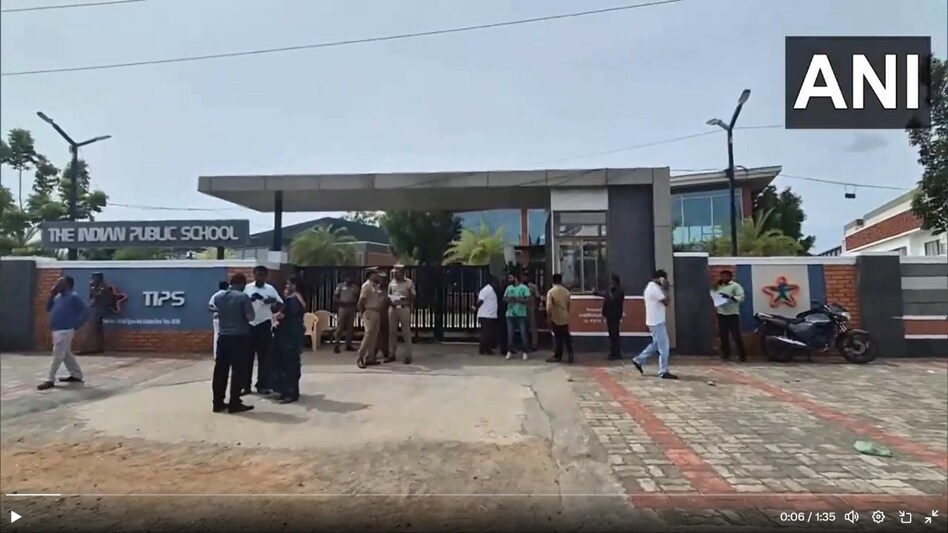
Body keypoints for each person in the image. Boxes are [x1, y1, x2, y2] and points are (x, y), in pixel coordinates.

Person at [212, 273, 256, 413]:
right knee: (238, 371)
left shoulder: (219, 297)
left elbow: (215, 311)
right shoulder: (243, 297)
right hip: (240, 338)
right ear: (242, 284)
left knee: (220, 371)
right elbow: (251, 317)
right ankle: (234, 403)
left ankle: (218, 403)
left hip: (223, 337)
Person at [38, 276, 88, 391]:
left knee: (57, 354)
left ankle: (50, 379)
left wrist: (77, 324)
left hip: (65, 330)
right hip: (57, 329)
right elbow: (48, 308)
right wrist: (52, 294)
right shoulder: (58, 297)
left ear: (68, 285)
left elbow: (85, 311)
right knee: (66, 354)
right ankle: (76, 375)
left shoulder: (73, 297)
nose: (57, 284)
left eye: (60, 282)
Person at [243, 265, 282, 395]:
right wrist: (250, 300)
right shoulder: (247, 288)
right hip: (249, 325)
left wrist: (271, 301)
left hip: (264, 325)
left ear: (266, 276)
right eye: (257, 275)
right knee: (246, 357)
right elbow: (240, 304)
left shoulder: (270, 289)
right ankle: (245, 386)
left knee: (264, 358)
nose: (259, 277)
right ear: (253, 275)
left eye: (262, 275)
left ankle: (262, 385)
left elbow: (280, 304)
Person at [632, 269, 677, 380]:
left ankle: (639, 359)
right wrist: (666, 288)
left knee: (656, 344)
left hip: (654, 320)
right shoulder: (655, 289)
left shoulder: (651, 287)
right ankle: (663, 371)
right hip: (657, 321)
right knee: (664, 347)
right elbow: (666, 302)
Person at [271, 276, 307, 403]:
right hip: (292, 336)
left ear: (294, 285)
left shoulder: (293, 301)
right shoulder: (298, 299)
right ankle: (288, 390)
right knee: (290, 364)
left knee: (289, 365)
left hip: (288, 337)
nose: (286, 286)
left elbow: (282, 316)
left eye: (288, 284)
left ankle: (290, 393)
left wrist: (276, 317)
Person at [715, 269, 747, 362]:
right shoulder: (718, 286)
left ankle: (743, 355)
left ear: (730, 277)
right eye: (721, 276)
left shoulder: (735, 286)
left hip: (732, 314)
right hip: (721, 313)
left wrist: (730, 298)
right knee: (723, 335)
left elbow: (741, 297)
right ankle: (726, 355)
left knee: (736, 335)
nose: (723, 278)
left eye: (725, 276)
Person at [387, 264, 416, 364]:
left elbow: (413, 296)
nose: (395, 275)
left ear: (402, 273)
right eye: (394, 273)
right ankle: (392, 354)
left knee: (406, 332)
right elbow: (388, 294)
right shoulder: (392, 283)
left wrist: (405, 298)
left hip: (404, 308)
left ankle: (408, 355)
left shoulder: (409, 283)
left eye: (397, 273)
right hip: (393, 308)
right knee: (392, 332)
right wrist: (391, 298)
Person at [356, 269, 383, 369]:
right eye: (375, 273)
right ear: (370, 275)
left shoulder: (375, 286)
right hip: (369, 311)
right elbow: (361, 301)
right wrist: (362, 312)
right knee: (368, 334)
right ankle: (360, 357)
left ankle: (370, 358)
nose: (377, 275)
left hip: (376, 311)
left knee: (374, 336)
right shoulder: (366, 286)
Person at [545, 273, 574, 364]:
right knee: (566, 336)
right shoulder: (566, 291)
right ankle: (570, 354)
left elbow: (549, 306)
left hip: (556, 317)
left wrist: (548, 316)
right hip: (564, 315)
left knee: (558, 338)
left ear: (553, 281)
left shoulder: (551, 292)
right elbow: (568, 304)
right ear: (561, 281)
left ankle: (558, 356)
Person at [503, 272, 532, 360]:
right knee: (510, 333)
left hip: (521, 313)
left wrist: (519, 299)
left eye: (511, 278)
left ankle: (525, 351)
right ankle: (509, 350)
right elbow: (504, 298)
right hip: (510, 313)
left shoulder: (524, 288)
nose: (509, 280)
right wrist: (509, 299)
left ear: (516, 278)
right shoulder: (509, 288)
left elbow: (528, 299)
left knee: (523, 333)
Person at [82, 272, 113, 355]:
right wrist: (92, 288)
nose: (92, 280)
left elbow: (98, 295)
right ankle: (97, 347)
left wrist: (93, 288)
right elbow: (91, 297)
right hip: (95, 308)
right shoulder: (93, 287)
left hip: (101, 309)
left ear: (99, 279)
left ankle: (87, 347)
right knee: (97, 329)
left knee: (92, 326)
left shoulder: (104, 287)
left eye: (94, 278)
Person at [601, 274, 626, 360]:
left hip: (615, 315)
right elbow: (604, 294)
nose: (610, 283)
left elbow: (612, 299)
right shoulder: (612, 290)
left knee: (614, 334)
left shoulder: (619, 291)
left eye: (612, 282)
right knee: (612, 334)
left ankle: (616, 353)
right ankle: (613, 352)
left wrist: (610, 292)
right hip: (610, 315)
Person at [332, 274, 359, 353]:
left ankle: (348, 345)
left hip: (351, 307)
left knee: (350, 328)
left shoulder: (355, 287)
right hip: (342, 308)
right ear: (344, 278)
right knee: (340, 327)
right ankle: (336, 344)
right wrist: (341, 302)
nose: (348, 279)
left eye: (350, 277)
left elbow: (359, 297)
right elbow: (335, 297)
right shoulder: (340, 286)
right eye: (347, 277)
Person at [373, 270, 394, 364]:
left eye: (384, 279)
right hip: (376, 313)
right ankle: (374, 352)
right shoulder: (375, 288)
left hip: (385, 314)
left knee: (385, 334)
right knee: (375, 334)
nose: (382, 280)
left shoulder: (389, 289)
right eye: (380, 278)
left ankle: (385, 351)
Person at [474, 275, 499, 355]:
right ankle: (482, 349)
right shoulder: (486, 290)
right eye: (496, 282)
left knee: (489, 333)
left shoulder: (492, 290)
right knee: (486, 333)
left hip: (490, 315)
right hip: (485, 315)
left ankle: (487, 349)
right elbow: (481, 300)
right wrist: (475, 307)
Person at [208, 281, 229, 359]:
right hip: (227, 318)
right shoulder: (228, 295)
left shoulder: (215, 295)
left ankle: (216, 355)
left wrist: (217, 310)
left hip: (217, 317)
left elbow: (209, 307)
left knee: (217, 335)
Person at [523, 271, 541, 350]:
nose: (525, 278)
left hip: (531, 308)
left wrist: (536, 307)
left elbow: (537, 297)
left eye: (526, 276)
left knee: (533, 327)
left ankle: (534, 344)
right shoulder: (520, 286)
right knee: (524, 327)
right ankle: (525, 343)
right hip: (522, 309)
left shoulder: (533, 287)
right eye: (524, 276)